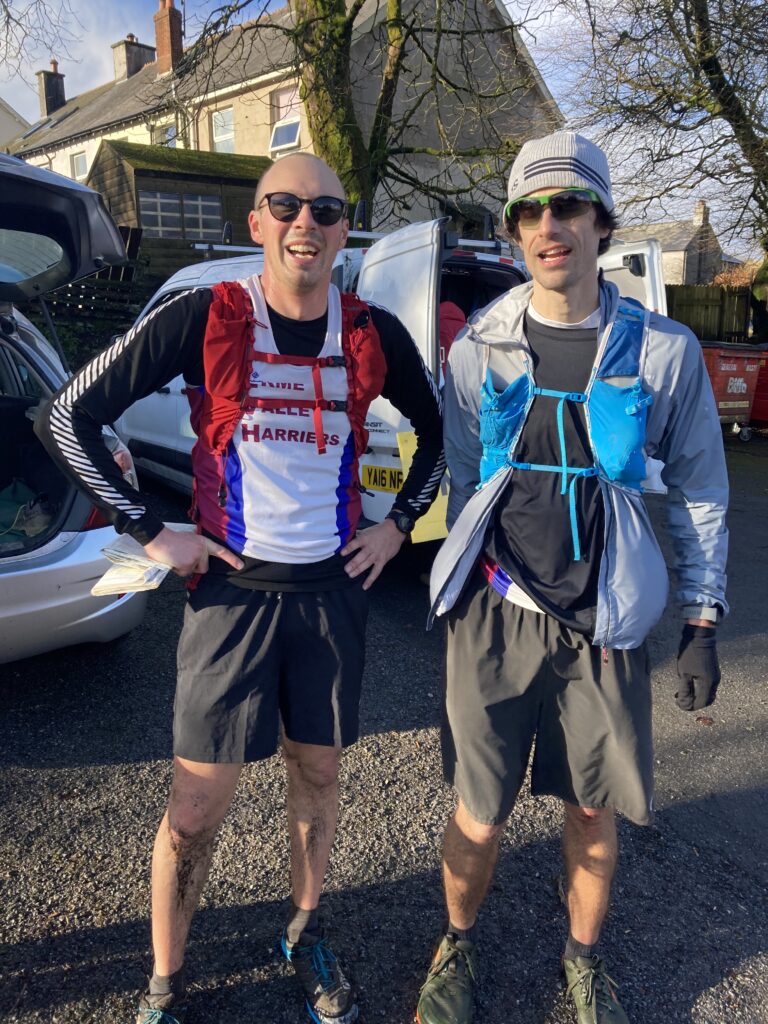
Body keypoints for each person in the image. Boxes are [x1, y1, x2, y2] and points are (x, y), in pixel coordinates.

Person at [36, 152, 444, 1024]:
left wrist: (398, 525)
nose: (306, 222)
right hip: (230, 596)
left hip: (330, 595)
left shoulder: (371, 330)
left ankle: (303, 931)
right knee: (194, 809)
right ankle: (165, 982)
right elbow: (67, 415)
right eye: (285, 205)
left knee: (319, 775)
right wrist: (151, 529)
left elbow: (438, 437)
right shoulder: (206, 314)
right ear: (256, 222)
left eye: (326, 209)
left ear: (344, 231)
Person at [417, 131, 728, 1024]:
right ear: (515, 229)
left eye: (568, 206)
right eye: (530, 211)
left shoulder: (664, 353)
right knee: (480, 811)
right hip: (499, 612)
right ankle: (456, 947)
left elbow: (701, 491)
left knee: (593, 813)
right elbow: (467, 479)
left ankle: (583, 962)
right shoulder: (479, 346)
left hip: (606, 621)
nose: (549, 226)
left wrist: (702, 618)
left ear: (601, 222)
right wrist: (456, 586)